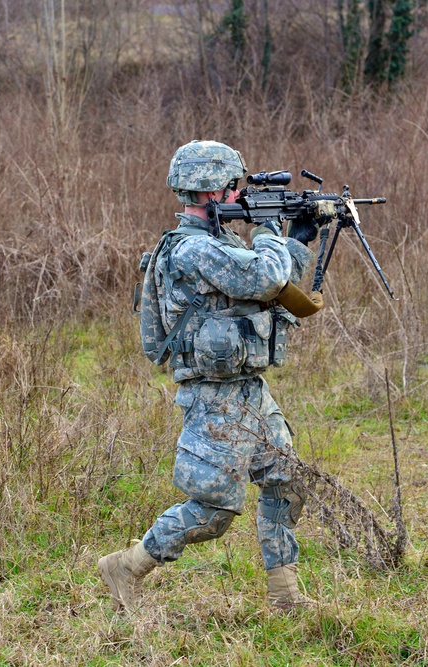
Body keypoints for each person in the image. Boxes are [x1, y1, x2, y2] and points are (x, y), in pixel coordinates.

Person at [99, 140, 326, 611]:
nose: (238, 195)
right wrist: (267, 227)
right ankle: (126, 566)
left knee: (288, 480)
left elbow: (272, 288)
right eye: (233, 188)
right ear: (212, 191)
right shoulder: (193, 251)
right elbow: (263, 276)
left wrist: (298, 239)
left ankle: (284, 594)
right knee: (214, 511)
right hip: (214, 397)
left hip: (249, 390)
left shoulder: (221, 244)